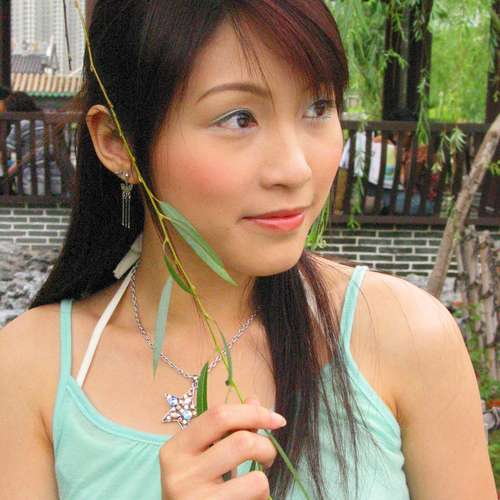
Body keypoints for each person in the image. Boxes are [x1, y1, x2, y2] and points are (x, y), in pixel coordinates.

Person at [0, 1, 495, 499]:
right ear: (117, 142)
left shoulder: (406, 334)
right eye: (239, 118)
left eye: (318, 108)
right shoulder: (31, 368)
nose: (295, 169)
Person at [3, 91, 62, 196]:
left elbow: (3, 154)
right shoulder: (49, 124)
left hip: (33, 187)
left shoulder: (21, 125)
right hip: (59, 185)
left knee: (7, 165)